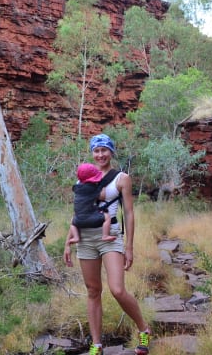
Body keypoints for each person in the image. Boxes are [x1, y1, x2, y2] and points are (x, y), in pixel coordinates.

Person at [64, 134, 152, 355]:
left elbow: (129, 214)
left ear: (111, 152)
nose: (100, 155)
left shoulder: (121, 178)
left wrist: (129, 247)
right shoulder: (81, 180)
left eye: (104, 150)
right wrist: (68, 243)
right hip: (85, 238)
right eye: (96, 151)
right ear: (92, 153)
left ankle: (144, 329)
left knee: (117, 289)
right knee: (93, 291)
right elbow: (78, 212)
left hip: (110, 235)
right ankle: (96, 345)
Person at [68, 162, 116, 245]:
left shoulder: (77, 188)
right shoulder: (92, 188)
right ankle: (105, 235)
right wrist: (102, 185)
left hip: (78, 219)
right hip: (90, 217)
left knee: (72, 222)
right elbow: (103, 196)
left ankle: (76, 237)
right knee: (107, 217)